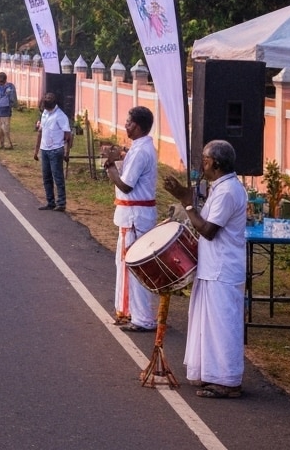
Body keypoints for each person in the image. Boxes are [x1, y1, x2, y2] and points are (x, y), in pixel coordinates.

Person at [163, 140, 247, 399]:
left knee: (223, 326)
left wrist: (187, 204)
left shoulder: (227, 192)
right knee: (208, 325)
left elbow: (209, 230)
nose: (202, 164)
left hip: (223, 269)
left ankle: (229, 382)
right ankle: (212, 374)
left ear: (216, 164)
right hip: (213, 267)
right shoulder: (221, 187)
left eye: (205, 159)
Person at [100, 106, 159, 332]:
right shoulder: (139, 148)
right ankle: (130, 312)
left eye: (129, 122)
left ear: (140, 126)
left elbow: (126, 185)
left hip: (135, 217)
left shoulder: (142, 151)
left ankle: (141, 317)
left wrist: (110, 165)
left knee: (133, 266)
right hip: (132, 216)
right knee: (125, 264)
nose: (126, 125)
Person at [33, 91, 72, 211]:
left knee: (58, 177)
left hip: (56, 150)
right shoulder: (45, 113)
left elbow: (69, 135)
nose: (45, 109)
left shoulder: (60, 116)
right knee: (46, 177)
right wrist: (36, 151)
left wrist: (66, 153)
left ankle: (61, 203)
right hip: (45, 149)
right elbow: (40, 131)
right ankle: (50, 202)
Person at [0, 72, 17, 149]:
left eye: (2, 81)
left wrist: (11, 105)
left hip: (6, 110)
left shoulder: (9, 87)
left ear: (5, 80)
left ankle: (9, 144)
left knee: (5, 128)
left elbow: (13, 98)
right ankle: (1, 144)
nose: (0, 83)